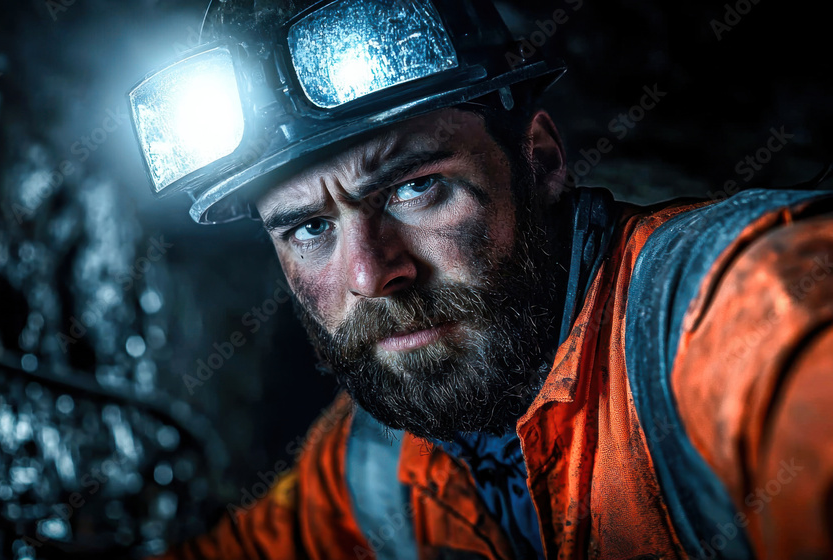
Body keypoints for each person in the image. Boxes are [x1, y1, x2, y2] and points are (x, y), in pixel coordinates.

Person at [127, 0, 833, 558]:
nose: (372, 274)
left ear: (542, 160)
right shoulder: (374, 467)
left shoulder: (739, 309)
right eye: (309, 229)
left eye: (417, 188)